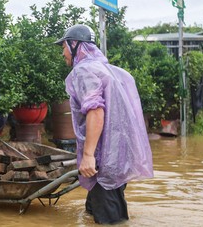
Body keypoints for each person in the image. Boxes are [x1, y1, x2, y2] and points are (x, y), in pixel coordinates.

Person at [55, 24, 154, 224]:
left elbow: (95, 111)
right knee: (96, 211)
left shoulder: (83, 71)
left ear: (75, 45)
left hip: (102, 159)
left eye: (64, 47)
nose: (63, 53)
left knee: (110, 219)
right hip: (118, 155)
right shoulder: (109, 70)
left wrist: (89, 156)